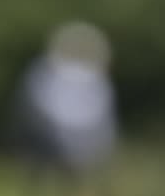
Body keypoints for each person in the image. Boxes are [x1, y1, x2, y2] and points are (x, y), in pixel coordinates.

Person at [16, 22, 117, 178]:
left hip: (76, 139)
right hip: (46, 136)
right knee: (42, 169)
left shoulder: (94, 80)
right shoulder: (46, 73)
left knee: (73, 173)